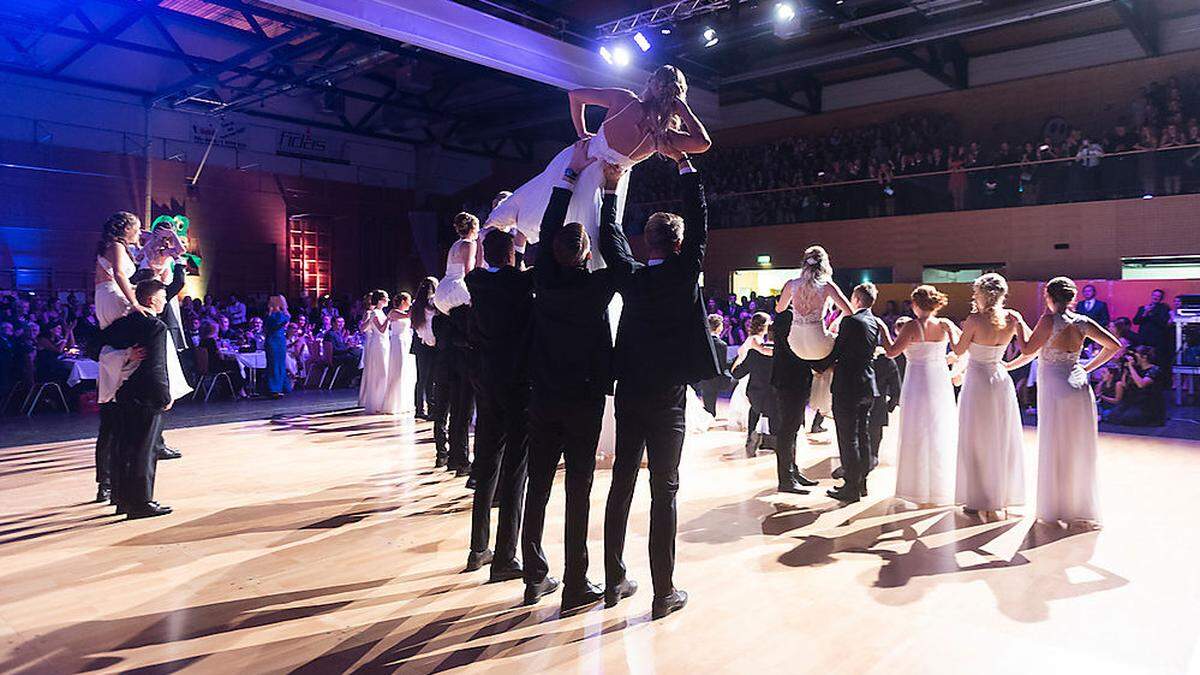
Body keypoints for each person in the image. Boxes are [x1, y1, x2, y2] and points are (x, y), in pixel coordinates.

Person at [600, 146, 719, 620]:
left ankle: (612, 581)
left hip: (629, 390)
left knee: (622, 483)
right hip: (668, 398)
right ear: (679, 242)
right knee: (664, 489)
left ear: (646, 242)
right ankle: (662, 591)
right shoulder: (685, 271)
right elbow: (701, 217)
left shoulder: (630, 276)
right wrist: (685, 165)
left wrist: (611, 189)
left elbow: (609, 238)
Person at [486, 65, 712, 270]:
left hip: (577, 159)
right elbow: (702, 143)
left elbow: (574, 96)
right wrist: (681, 108)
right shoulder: (661, 137)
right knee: (590, 245)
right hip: (604, 183)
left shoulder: (625, 100)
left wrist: (582, 133)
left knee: (539, 212)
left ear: (651, 83)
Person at [521, 144, 618, 610]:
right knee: (579, 488)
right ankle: (576, 581)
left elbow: (544, 230)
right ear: (585, 255)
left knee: (537, 484)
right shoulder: (597, 288)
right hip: (582, 400)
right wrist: (612, 195)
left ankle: (534, 575)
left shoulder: (542, 279)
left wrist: (566, 177)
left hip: (543, 395)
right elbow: (616, 256)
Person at [1019, 277, 1120, 527]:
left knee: (1055, 444)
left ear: (1048, 297)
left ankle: (1055, 506)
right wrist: (1086, 367)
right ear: (1072, 298)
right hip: (1078, 385)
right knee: (1078, 447)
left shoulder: (1048, 320)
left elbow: (1026, 349)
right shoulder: (1083, 322)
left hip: (1055, 385)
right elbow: (1113, 346)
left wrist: (1019, 324)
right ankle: (1080, 506)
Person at [462, 230, 533, 580]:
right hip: (517, 382)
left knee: (487, 463)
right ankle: (506, 556)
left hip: (486, 380)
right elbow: (525, 273)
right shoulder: (518, 283)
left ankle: (478, 548)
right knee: (516, 469)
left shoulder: (475, 280)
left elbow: (482, 266)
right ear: (510, 255)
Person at [951, 274, 1027, 519]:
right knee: (999, 437)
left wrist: (950, 331)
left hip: (977, 382)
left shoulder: (974, 320)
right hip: (1000, 380)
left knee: (976, 439)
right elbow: (1029, 350)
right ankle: (999, 496)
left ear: (981, 294)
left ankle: (977, 499)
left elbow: (958, 350)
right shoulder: (1013, 318)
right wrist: (1009, 365)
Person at [99, 279, 174, 519]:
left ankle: (121, 499)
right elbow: (156, 365)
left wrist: (123, 355)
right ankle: (141, 502)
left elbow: (93, 346)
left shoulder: (122, 323)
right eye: (163, 296)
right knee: (144, 450)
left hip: (123, 393)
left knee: (124, 447)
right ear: (151, 299)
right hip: (147, 394)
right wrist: (164, 394)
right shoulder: (155, 326)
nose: (165, 301)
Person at [882, 285, 959, 507]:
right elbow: (960, 349)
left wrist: (883, 331)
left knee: (916, 430)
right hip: (939, 380)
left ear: (915, 305)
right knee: (938, 429)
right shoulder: (944, 324)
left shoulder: (911, 326)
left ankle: (916, 488)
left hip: (917, 380)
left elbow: (891, 351)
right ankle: (940, 488)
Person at [93, 212, 148, 503]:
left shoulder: (123, 247)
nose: (139, 232)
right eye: (137, 228)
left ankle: (115, 478)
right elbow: (119, 274)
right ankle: (108, 480)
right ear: (124, 229)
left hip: (113, 296)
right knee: (124, 339)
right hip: (112, 297)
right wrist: (134, 302)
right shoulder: (115, 246)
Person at [774, 245, 854, 426]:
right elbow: (850, 312)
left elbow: (780, 310)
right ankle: (827, 402)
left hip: (795, 343)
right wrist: (834, 322)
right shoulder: (827, 286)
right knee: (839, 344)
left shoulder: (791, 284)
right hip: (819, 344)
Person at [825, 282, 882, 504]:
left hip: (848, 386)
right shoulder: (874, 321)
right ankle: (862, 483)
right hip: (867, 384)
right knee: (863, 435)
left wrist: (818, 365)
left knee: (847, 438)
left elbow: (837, 350)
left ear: (856, 299)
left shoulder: (851, 321)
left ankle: (851, 487)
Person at [769, 309, 821, 493]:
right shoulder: (790, 317)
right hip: (789, 380)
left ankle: (792, 471)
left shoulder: (792, 316)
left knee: (793, 429)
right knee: (787, 430)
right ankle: (786, 479)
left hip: (793, 379)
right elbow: (797, 348)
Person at [730, 312, 775, 458]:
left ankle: (753, 435)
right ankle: (763, 436)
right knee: (762, 406)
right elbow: (763, 351)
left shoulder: (755, 338)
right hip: (756, 376)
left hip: (752, 375)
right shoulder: (756, 340)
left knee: (755, 408)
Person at [1107, 345, 1167, 426]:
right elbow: (1124, 384)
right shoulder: (1137, 369)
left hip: (1148, 405)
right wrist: (1126, 368)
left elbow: (1141, 384)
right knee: (1113, 416)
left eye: (1136, 355)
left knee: (1128, 418)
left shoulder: (1155, 370)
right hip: (1135, 402)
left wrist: (1131, 367)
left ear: (1144, 357)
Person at [433, 213, 480, 314]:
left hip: (442, 289)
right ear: (473, 228)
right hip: (455, 289)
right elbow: (469, 271)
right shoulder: (469, 244)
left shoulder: (456, 244)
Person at [357, 290, 390, 414]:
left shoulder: (380, 312)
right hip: (378, 343)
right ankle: (377, 401)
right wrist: (389, 319)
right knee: (380, 371)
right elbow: (381, 329)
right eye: (386, 298)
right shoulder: (375, 312)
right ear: (380, 300)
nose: (388, 300)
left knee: (382, 371)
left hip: (383, 343)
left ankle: (380, 400)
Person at [383, 293, 415, 416]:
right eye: (409, 301)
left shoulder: (403, 313)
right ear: (403, 301)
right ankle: (393, 403)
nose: (410, 303)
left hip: (406, 341)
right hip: (398, 342)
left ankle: (404, 402)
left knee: (405, 371)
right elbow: (408, 315)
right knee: (398, 370)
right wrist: (415, 305)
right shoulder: (393, 312)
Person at [410, 278, 438, 421]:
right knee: (430, 378)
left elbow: (416, 326)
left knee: (422, 378)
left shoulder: (416, 304)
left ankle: (419, 408)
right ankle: (430, 408)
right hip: (430, 343)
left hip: (420, 344)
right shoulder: (433, 303)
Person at [696, 314, 730, 417]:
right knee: (711, 402)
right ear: (719, 327)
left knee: (708, 402)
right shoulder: (721, 344)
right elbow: (722, 364)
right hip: (715, 377)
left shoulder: (701, 342)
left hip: (702, 376)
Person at [1133, 288, 1171, 367]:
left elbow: (1163, 323)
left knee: (1155, 362)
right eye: (1154, 295)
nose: (1155, 297)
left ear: (1161, 298)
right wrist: (1145, 313)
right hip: (1143, 339)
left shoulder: (1164, 308)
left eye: (1158, 296)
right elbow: (1135, 321)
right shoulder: (1143, 308)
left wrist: (1151, 314)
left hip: (1157, 341)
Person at [263, 295, 291, 397]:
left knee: (280, 364)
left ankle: (281, 386)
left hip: (280, 341)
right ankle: (274, 388)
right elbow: (280, 322)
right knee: (274, 364)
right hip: (273, 341)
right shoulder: (271, 315)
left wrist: (284, 308)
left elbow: (286, 318)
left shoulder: (279, 313)